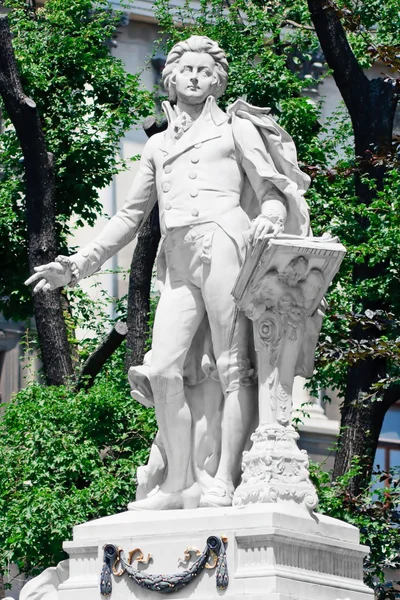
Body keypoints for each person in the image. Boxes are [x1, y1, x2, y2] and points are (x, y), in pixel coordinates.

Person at [25, 35, 311, 510]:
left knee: (231, 364)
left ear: (217, 80)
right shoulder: (157, 145)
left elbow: (272, 189)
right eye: (186, 70)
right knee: (162, 368)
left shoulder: (235, 130)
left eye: (205, 70)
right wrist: (78, 265)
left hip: (226, 239)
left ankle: (222, 476)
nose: (195, 77)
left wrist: (273, 216)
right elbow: (129, 217)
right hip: (178, 258)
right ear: (171, 79)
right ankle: (178, 480)